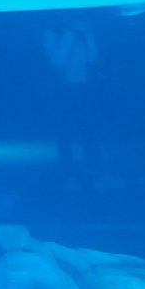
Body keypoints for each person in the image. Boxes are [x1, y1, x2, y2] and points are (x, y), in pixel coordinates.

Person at [41, 18, 99, 191]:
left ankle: (90, 171)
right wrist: (70, 32)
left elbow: (92, 60)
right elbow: (58, 61)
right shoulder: (50, 34)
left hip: (83, 88)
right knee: (65, 133)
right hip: (62, 89)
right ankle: (65, 172)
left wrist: (90, 37)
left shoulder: (81, 34)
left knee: (87, 131)